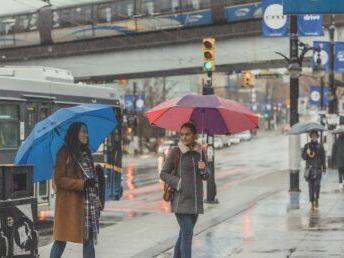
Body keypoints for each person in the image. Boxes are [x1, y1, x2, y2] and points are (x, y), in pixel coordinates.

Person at [50, 122, 101, 258]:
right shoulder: (64, 153)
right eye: (83, 132)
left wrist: (98, 202)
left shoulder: (86, 153)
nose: (86, 135)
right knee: (61, 240)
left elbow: (91, 177)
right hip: (70, 205)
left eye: (86, 132)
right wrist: (82, 184)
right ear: (75, 134)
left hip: (88, 204)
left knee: (89, 240)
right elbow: (58, 180)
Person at [160, 122, 209, 258]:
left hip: (195, 201)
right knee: (188, 234)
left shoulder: (200, 153)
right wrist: (178, 182)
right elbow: (163, 173)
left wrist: (203, 169)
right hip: (180, 201)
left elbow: (207, 176)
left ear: (194, 135)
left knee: (183, 234)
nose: (184, 137)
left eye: (187, 134)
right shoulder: (176, 153)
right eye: (182, 134)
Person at [302, 130, 326, 211]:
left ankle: (316, 198)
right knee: (311, 187)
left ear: (317, 136)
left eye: (315, 136)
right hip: (310, 170)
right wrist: (307, 153)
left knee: (317, 185)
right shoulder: (307, 146)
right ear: (311, 137)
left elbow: (323, 157)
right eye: (312, 136)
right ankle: (311, 202)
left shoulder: (320, 146)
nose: (314, 137)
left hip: (318, 169)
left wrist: (324, 168)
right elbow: (303, 157)